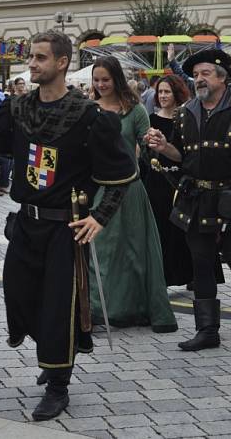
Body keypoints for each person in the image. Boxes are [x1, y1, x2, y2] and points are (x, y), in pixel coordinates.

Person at [0, 30, 138, 421]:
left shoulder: (90, 116)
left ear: (62, 63)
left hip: (65, 228)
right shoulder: (20, 106)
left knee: (59, 305)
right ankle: (53, 349)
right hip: (26, 225)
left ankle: (58, 383)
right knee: (21, 293)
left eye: (40, 58)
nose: (32, 63)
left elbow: (123, 172)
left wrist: (99, 217)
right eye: (31, 57)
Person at [147, 48, 231, 352]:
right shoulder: (187, 111)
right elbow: (183, 155)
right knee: (200, 262)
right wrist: (165, 147)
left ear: (222, 78)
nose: (199, 79)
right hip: (197, 195)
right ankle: (207, 331)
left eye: (205, 74)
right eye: (196, 75)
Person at [88, 56, 177, 332]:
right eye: (97, 79)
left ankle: (136, 308)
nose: (101, 84)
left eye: (106, 79)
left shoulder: (135, 110)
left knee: (135, 253)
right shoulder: (88, 110)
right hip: (99, 189)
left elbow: (145, 143)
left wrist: (153, 141)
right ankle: (95, 310)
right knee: (100, 252)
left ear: (116, 79)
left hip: (130, 188)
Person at [145, 75, 195, 287]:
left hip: (178, 183)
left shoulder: (185, 118)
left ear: (177, 93)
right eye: (160, 92)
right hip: (155, 183)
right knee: (160, 232)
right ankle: (163, 277)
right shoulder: (151, 119)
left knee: (182, 233)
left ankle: (190, 274)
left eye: (167, 91)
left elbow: (188, 155)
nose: (163, 96)